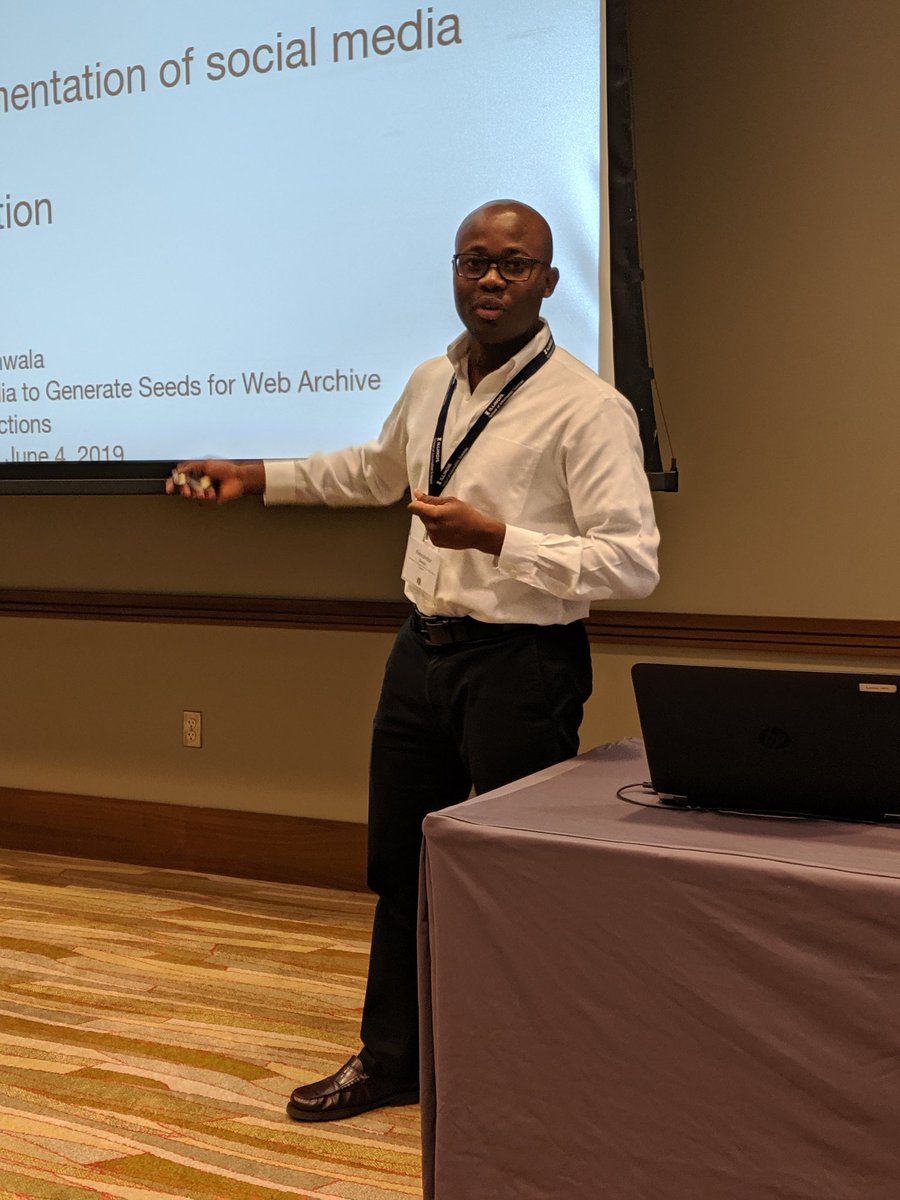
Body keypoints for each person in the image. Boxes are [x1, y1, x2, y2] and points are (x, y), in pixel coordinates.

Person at [168, 199, 660, 1121]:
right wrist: (255, 475)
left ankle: (521, 1079)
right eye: (474, 261)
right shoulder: (432, 379)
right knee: (400, 866)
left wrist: (498, 537)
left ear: (549, 282)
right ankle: (392, 1059)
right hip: (421, 651)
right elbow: (375, 472)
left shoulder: (590, 408)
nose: (491, 279)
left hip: (524, 663)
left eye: (514, 264)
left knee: (517, 877)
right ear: (455, 271)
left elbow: (633, 563)